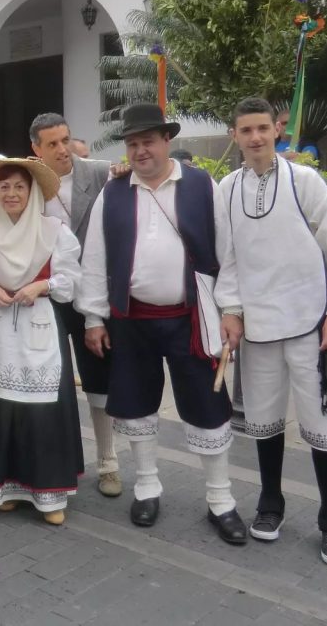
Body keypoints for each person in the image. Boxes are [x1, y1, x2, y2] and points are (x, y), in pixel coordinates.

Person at [216, 97, 327, 567]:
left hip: (313, 325)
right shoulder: (226, 189)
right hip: (259, 329)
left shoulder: (304, 181)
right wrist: (230, 309)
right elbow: (227, 258)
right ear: (235, 136)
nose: (256, 138)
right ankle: (271, 503)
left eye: (263, 128)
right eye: (246, 130)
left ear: (276, 129)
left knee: (325, 426)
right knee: (264, 422)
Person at [76, 102, 247, 545]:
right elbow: (94, 259)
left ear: (166, 141)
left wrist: (231, 310)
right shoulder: (112, 194)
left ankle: (220, 499)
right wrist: (94, 316)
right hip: (130, 320)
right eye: (132, 143)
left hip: (191, 318)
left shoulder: (200, 185)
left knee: (209, 406)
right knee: (135, 406)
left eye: (147, 141)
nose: (139, 151)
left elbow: (227, 254)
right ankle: (147, 486)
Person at [0, 157, 83, 523]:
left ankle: (49, 496)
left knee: (42, 411)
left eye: (20, 186)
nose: (12, 193)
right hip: (1, 331)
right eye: (4, 187)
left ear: (33, 193)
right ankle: (7, 488)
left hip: (39, 329)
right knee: (5, 409)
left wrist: (43, 284)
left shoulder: (54, 232)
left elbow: (71, 282)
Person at [29, 113, 121, 498]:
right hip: (50, 295)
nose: (62, 149)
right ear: (36, 149)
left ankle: (109, 462)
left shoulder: (101, 174)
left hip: (94, 293)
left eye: (65, 139)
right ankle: (58, 460)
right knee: (52, 381)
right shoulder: (31, 181)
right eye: (51, 144)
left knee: (99, 380)